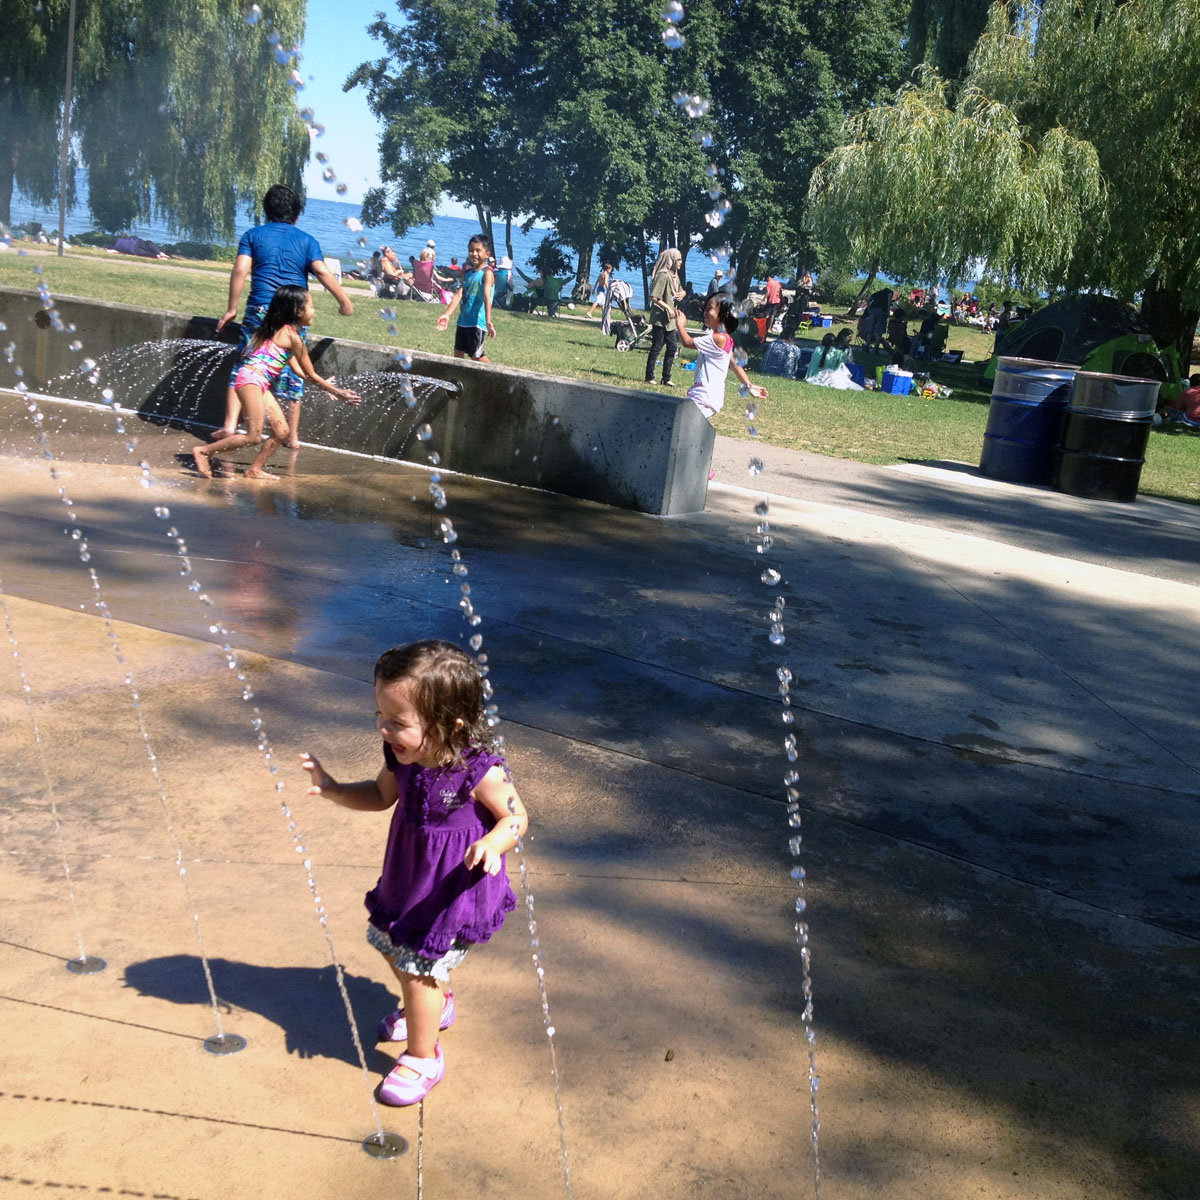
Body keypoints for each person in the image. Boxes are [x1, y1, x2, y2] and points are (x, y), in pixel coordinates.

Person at [299, 640, 528, 1107]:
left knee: (416, 968)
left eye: (397, 722)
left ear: (450, 725)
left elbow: (516, 817)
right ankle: (435, 1005)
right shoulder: (401, 760)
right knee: (391, 948)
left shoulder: (477, 770)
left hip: (450, 889)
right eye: (380, 716)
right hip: (408, 880)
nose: (384, 730)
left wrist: (491, 843)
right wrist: (333, 789)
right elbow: (381, 797)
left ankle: (423, 1057)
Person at [214, 183, 353, 448]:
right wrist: (344, 301)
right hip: (291, 312)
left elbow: (240, 270)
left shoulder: (253, 235)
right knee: (293, 368)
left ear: (266, 211)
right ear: (297, 214)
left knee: (245, 364)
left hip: (258, 309)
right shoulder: (306, 240)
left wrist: (232, 308)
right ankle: (292, 436)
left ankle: (230, 424)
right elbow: (322, 272)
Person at [194, 286, 360, 480]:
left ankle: (254, 469)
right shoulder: (292, 337)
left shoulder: (280, 331)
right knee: (253, 436)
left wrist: (328, 386)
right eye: (312, 306)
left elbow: (301, 372)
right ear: (298, 311)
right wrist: (338, 392)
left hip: (256, 382)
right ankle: (204, 451)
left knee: (281, 432)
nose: (314, 311)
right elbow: (311, 374)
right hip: (251, 381)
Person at [674, 293, 768, 419]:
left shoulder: (719, 338)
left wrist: (680, 325)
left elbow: (687, 342)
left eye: (710, 308)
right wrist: (748, 385)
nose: (705, 312)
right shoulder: (725, 338)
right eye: (705, 308)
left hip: (703, 397)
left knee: (682, 430)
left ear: (723, 314)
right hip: (707, 397)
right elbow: (734, 363)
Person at [436, 234, 496, 362]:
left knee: (477, 357)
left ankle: (499, 376)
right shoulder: (468, 274)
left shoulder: (487, 273)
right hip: (463, 321)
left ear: (487, 254)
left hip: (477, 322)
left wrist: (488, 321)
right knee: (458, 354)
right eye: (471, 250)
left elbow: (487, 297)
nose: (474, 253)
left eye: (478, 250)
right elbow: (458, 295)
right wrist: (447, 315)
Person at [645, 248, 685, 387]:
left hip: (671, 320)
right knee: (657, 347)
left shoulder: (675, 276)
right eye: (678, 259)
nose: (680, 262)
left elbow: (679, 290)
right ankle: (649, 376)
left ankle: (666, 378)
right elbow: (654, 297)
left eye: (680, 259)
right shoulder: (663, 276)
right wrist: (667, 307)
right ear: (671, 260)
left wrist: (683, 293)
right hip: (661, 318)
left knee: (672, 347)